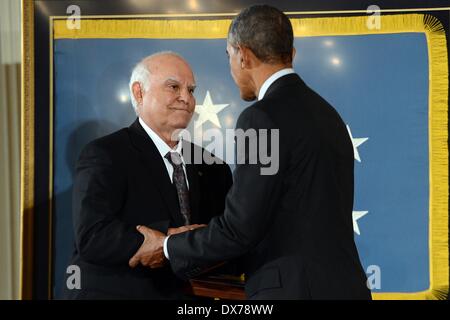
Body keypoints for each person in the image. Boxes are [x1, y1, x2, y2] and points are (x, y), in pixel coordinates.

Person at [128, 5, 372, 300]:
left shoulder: (261, 118)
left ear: (242, 55)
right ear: (290, 54)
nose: (231, 68)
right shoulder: (327, 114)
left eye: (229, 56)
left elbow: (240, 229)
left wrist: (168, 246)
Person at [62, 52, 232, 299]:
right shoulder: (106, 154)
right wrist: (168, 241)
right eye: (173, 86)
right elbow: (93, 236)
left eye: (191, 90)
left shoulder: (215, 167)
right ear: (139, 92)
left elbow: (224, 237)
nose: (186, 98)